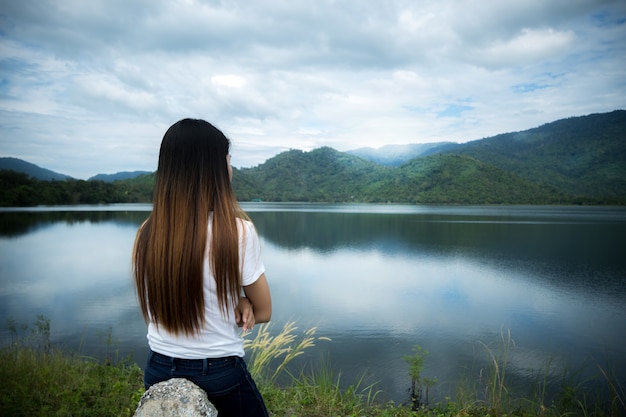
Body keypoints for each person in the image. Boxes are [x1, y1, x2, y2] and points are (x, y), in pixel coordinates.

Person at [132, 118, 272, 416]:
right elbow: (263, 311)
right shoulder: (238, 231)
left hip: (158, 367)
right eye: (228, 161)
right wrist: (244, 301)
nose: (231, 168)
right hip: (218, 370)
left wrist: (238, 299)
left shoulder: (147, 232)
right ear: (215, 170)